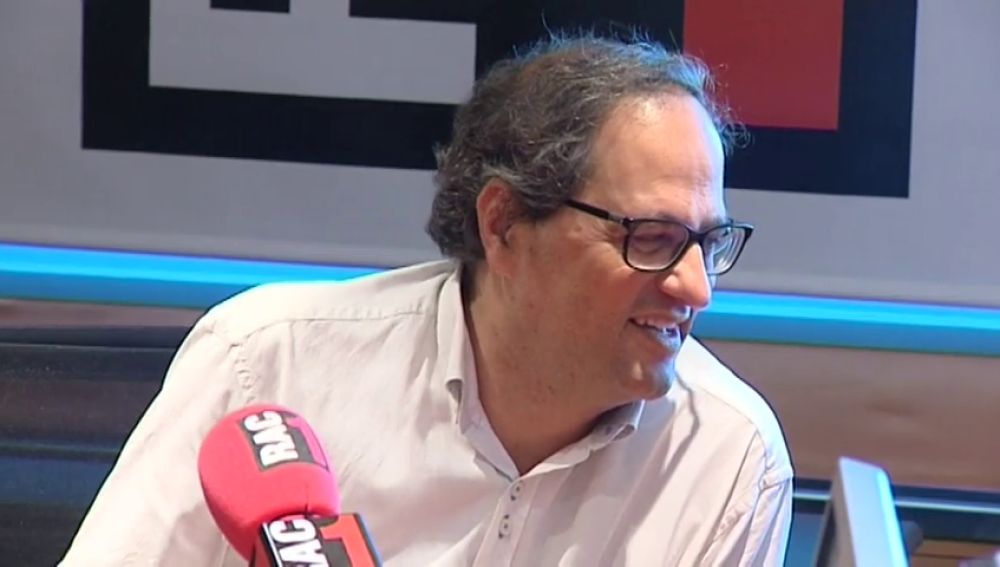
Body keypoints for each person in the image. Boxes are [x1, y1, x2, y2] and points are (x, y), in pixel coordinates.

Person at [62, 33, 792, 566]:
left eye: (710, 243)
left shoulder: (728, 457)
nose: (697, 287)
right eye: (652, 238)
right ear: (504, 225)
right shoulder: (268, 364)